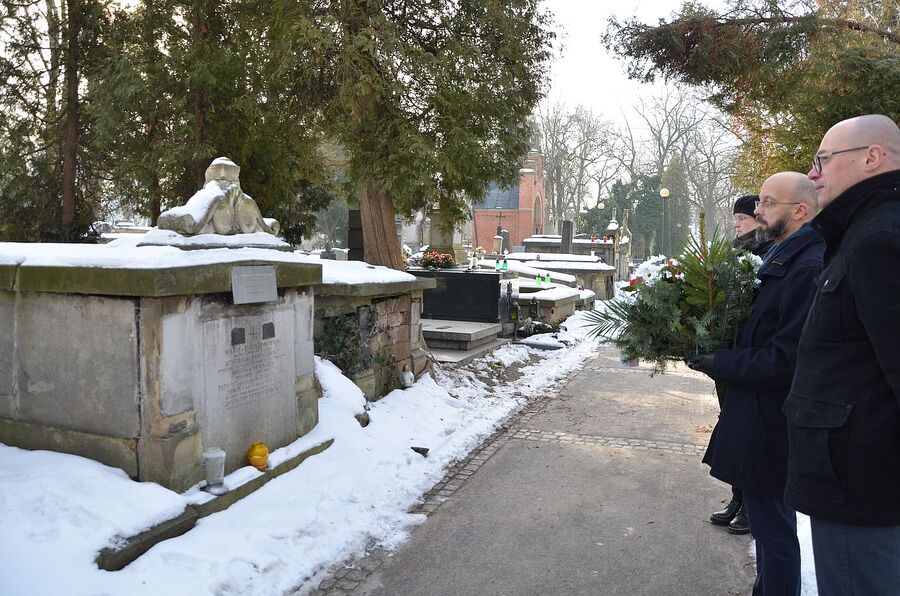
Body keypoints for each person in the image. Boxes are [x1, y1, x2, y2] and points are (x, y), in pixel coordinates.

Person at [689, 172, 824, 595]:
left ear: (799, 211)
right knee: (767, 530)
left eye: (767, 203)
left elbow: (784, 360)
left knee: (774, 532)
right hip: (761, 417)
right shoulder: (785, 257)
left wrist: (720, 361)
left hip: (772, 423)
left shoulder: (807, 266)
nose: (757, 212)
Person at [783, 114, 900, 596]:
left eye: (823, 160)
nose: (813, 175)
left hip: (864, 488)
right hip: (850, 477)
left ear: (872, 158)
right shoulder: (860, 232)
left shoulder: (879, 239)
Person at [709, 193, 775, 535]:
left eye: (743, 218)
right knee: (731, 424)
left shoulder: (766, 252)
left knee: (747, 431)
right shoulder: (736, 251)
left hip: (748, 357)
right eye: (735, 218)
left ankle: (750, 504)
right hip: (730, 356)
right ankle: (738, 497)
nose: (737, 223)